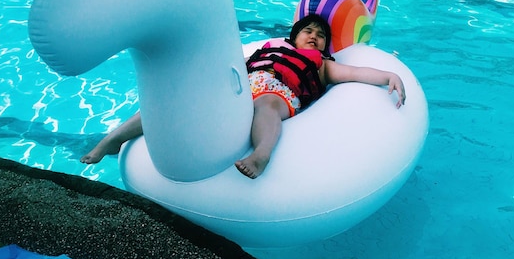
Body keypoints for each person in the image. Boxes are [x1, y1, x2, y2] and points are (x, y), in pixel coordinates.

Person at [81, 14, 406, 179]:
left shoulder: (323, 66)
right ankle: (111, 141)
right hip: (240, 87)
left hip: (279, 93)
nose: (315, 37)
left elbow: (355, 74)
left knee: (267, 105)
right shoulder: (270, 47)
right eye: (309, 31)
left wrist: (387, 75)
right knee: (177, 105)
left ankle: (261, 154)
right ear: (294, 36)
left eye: (321, 36)